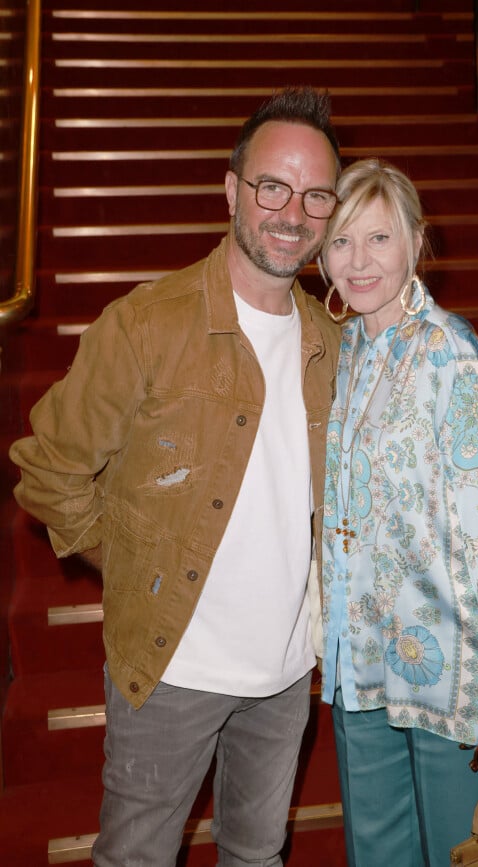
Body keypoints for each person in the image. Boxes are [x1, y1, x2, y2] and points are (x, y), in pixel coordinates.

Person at [9, 87, 341, 867]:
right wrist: (134, 558)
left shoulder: (332, 340)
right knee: (137, 858)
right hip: (172, 664)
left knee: (257, 854)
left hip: (286, 671)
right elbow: (47, 468)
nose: (292, 212)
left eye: (316, 194)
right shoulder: (146, 325)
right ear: (231, 191)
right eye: (272, 187)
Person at [317, 158, 478, 867]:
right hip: (363, 666)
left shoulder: (454, 359)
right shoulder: (351, 347)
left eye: (379, 239)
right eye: (341, 241)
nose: (358, 262)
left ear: (418, 243)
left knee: (467, 855)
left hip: (455, 675)